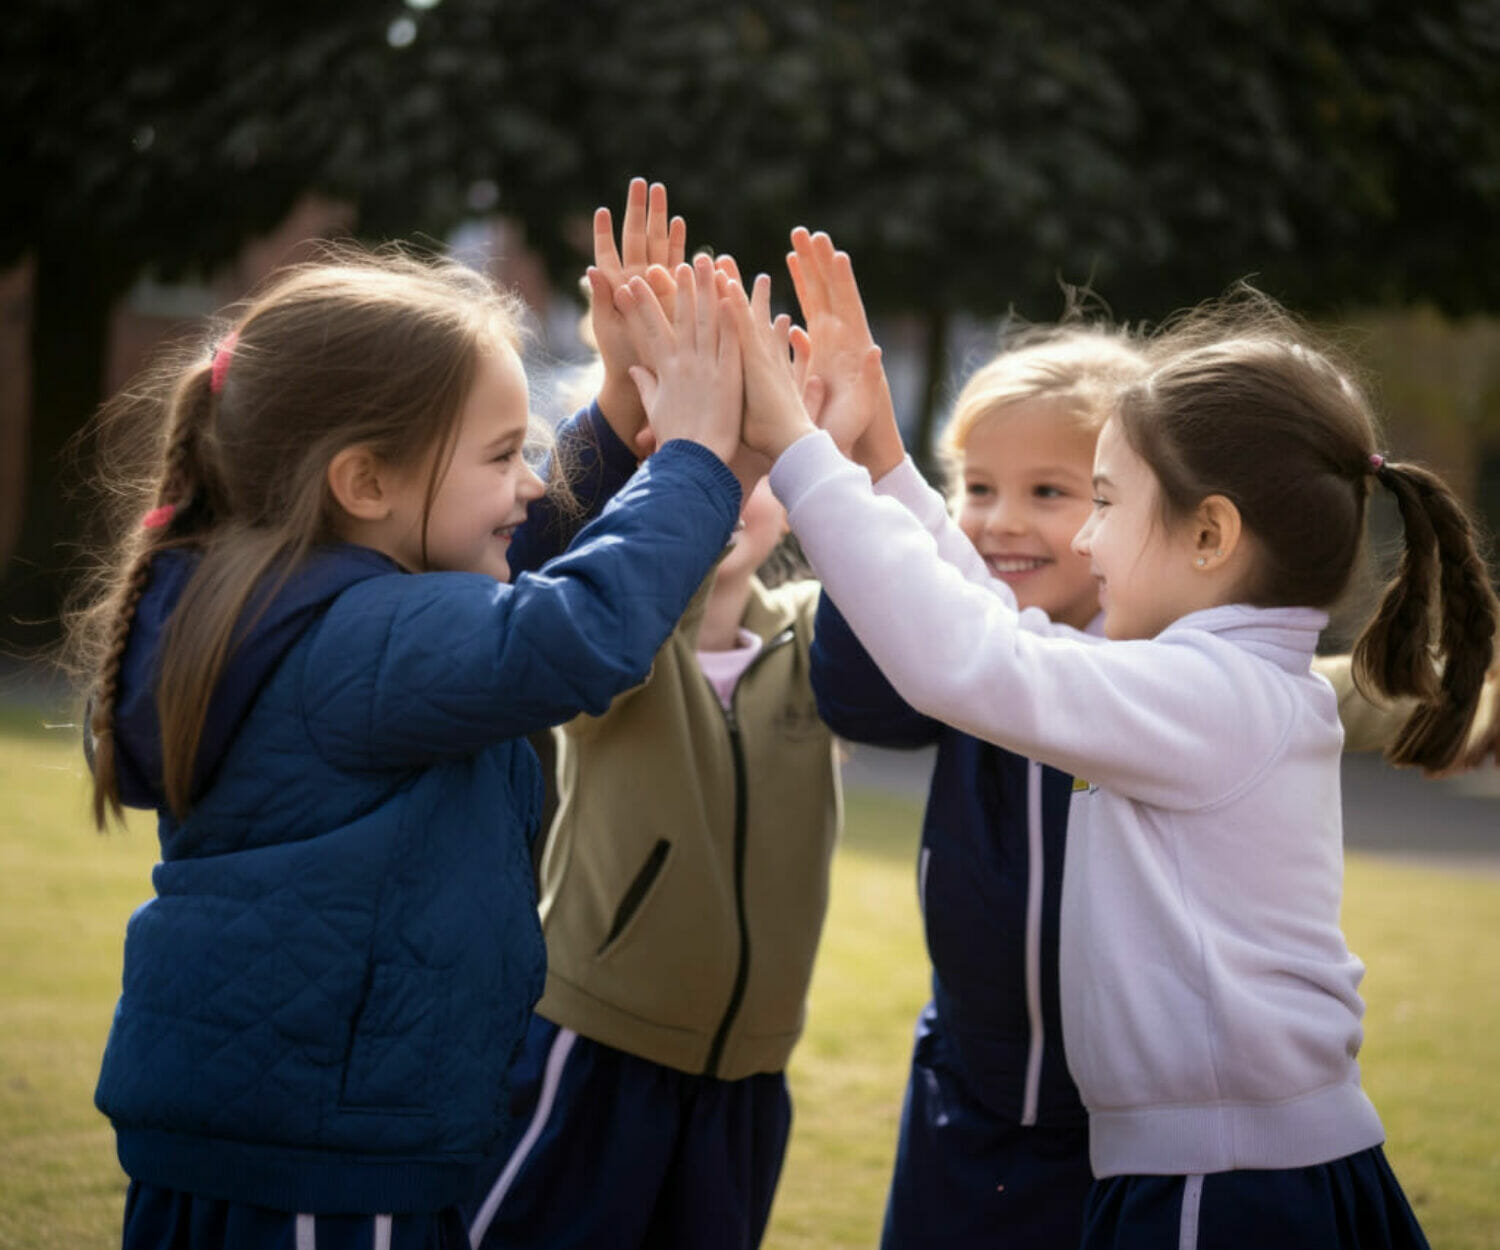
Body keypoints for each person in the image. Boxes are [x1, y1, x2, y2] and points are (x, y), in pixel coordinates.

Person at [631, 251, 1497, 1248]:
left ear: (1210, 534)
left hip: (1220, 1189)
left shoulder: (1208, 697)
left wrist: (801, 450)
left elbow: (972, 657)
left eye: (1105, 502)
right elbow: (996, 626)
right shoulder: (1220, 685)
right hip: (1223, 1169)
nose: (1083, 542)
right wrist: (883, 460)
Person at [69, 227, 744, 1249]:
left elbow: (514, 565)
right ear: (364, 483)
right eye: (500, 451)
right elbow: (572, 631)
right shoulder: (364, 638)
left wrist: (619, 408)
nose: (527, 479)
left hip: (275, 1146)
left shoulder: (280, 603)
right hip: (331, 1167)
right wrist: (691, 457)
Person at [465, 253, 840, 1250]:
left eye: (756, 467)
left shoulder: (817, 646)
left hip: (750, 1079)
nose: (729, 490)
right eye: (705, 462)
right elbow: (558, 573)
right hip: (594, 1048)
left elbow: (917, 624)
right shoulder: (619, 633)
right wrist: (622, 397)